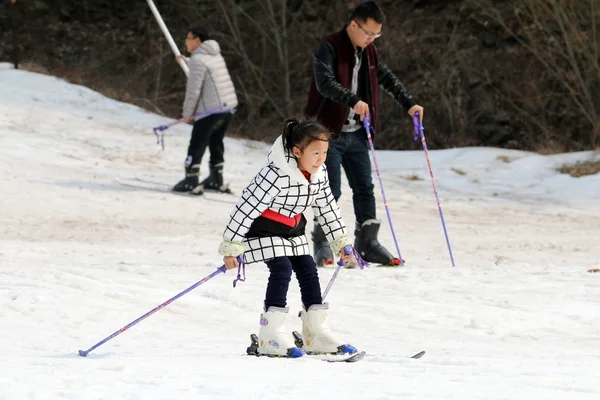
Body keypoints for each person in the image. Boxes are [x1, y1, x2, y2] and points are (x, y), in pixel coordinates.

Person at [218, 118, 360, 358]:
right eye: (315, 153)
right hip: (263, 230)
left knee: (307, 267)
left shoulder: (319, 173)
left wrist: (341, 242)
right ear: (297, 152)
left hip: (292, 230)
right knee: (282, 267)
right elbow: (246, 207)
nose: (321, 159)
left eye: (324, 153)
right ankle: (271, 334)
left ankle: (315, 332)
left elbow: (327, 208)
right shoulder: (275, 173)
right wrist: (232, 246)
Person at [305, 0, 424, 266]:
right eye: (368, 33)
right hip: (328, 133)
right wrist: (351, 99)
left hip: (358, 133)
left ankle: (367, 242)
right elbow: (325, 83)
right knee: (329, 190)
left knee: (364, 188)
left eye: (376, 35)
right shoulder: (329, 47)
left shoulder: (369, 54)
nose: (371, 39)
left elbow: (389, 79)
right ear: (353, 25)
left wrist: (410, 104)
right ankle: (323, 244)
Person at [172, 27, 238, 195]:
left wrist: (187, 113)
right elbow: (206, 70)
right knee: (216, 141)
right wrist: (186, 61)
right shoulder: (214, 54)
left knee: (197, 142)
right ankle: (216, 178)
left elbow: (193, 89)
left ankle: (191, 180)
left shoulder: (198, 59)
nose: (185, 42)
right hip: (227, 107)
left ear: (197, 41)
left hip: (211, 110)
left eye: (188, 38)